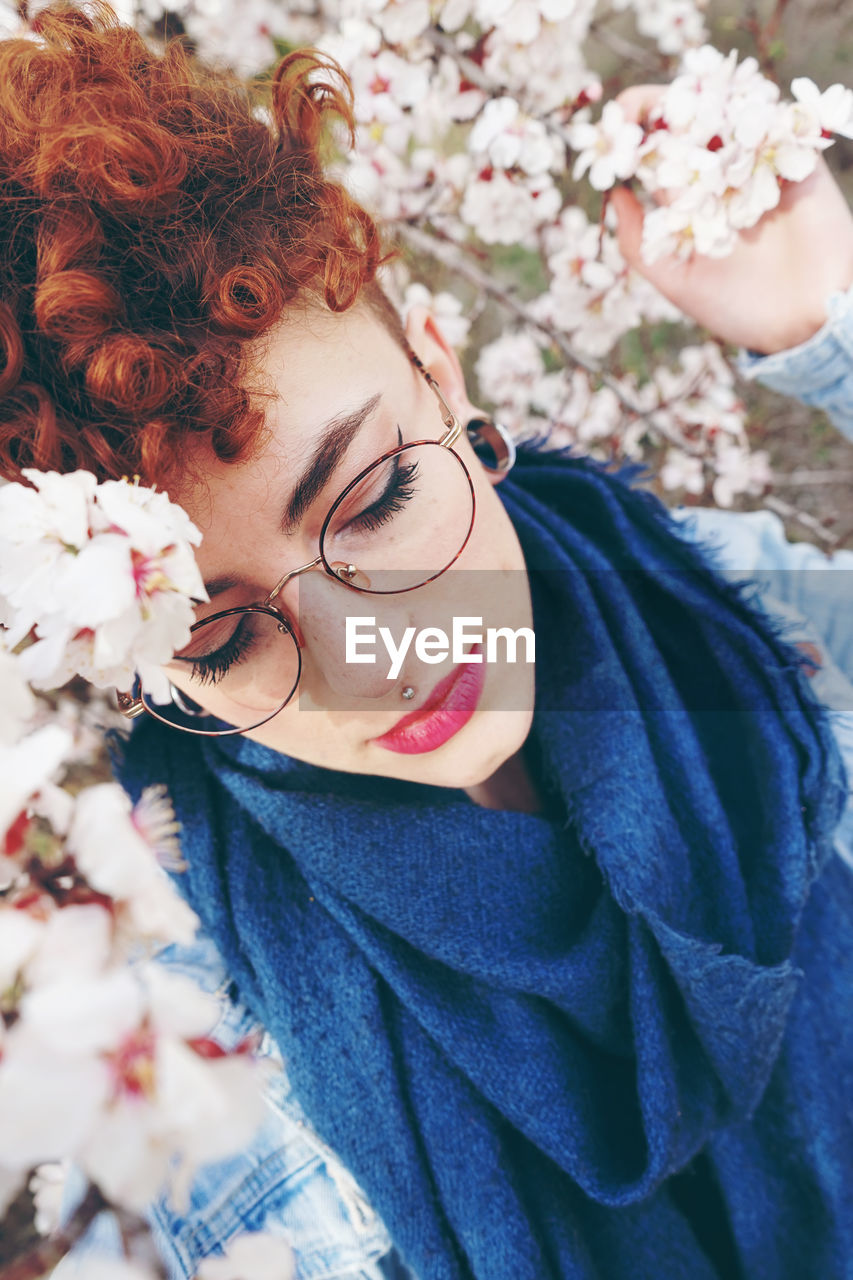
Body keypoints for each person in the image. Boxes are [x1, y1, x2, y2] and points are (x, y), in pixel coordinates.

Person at [3, 6, 853, 1278]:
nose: (376, 660)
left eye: (377, 498)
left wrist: (823, 327)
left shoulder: (744, 627)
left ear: (445, 378)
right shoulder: (207, 1066)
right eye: (223, 637)